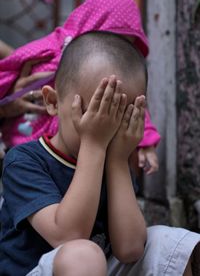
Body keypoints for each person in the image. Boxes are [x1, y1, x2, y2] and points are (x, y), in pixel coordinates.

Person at [0, 32, 199, 276]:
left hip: (97, 268)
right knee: (84, 253)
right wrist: (93, 144)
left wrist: (116, 161)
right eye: (94, 116)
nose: (105, 132)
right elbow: (68, 236)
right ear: (52, 102)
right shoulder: (25, 161)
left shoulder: (114, 161)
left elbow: (130, 248)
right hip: (39, 270)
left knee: (169, 243)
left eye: (117, 120)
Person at [0, 0, 160, 175]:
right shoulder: (51, 50)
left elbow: (135, 106)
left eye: (126, 47)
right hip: (28, 151)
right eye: (113, 45)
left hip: (80, 164)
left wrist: (146, 142)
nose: (119, 57)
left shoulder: (116, 79)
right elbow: (11, 67)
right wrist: (5, 102)